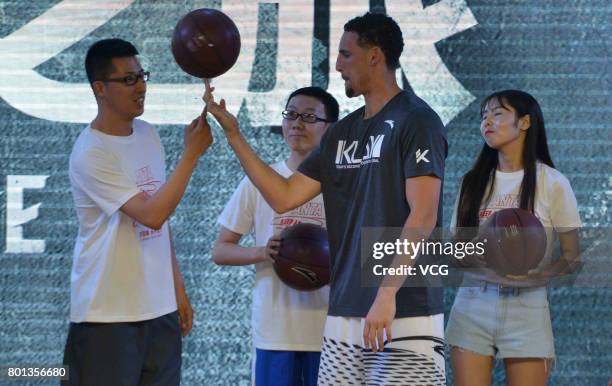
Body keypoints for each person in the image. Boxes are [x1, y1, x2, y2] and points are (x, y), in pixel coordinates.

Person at [205, 12, 447, 385]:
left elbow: (424, 214)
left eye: (345, 54)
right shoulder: (342, 132)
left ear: (374, 56)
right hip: (343, 311)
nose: (337, 66)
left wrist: (386, 294)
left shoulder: (417, 120)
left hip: (403, 307)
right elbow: (285, 196)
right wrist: (234, 135)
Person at [62, 38, 212, 386]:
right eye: (128, 79)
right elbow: (150, 214)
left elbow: (163, 220)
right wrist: (191, 155)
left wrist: (176, 290)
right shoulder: (91, 151)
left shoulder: (148, 134)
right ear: (100, 88)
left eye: (142, 75)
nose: (141, 86)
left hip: (159, 312)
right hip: (107, 315)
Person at [445, 89, 582, 386]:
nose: (487, 123)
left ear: (525, 122)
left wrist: (537, 275)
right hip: (473, 304)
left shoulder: (553, 182)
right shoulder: (473, 182)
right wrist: (485, 263)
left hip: (528, 307)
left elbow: (572, 257)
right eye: (483, 117)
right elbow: (455, 250)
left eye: (497, 114)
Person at [212, 87, 339, 386]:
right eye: (291, 114)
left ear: (331, 128)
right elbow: (220, 250)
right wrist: (263, 252)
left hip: (331, 332)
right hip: (276, 332)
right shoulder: (259, 181)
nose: (296, 124)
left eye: (309, 116)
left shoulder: (345, 187)